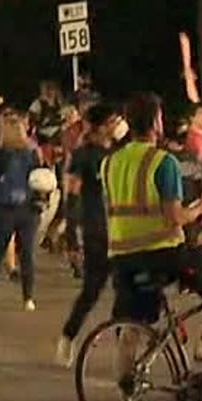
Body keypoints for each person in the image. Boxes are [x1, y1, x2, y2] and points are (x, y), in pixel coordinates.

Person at [102, 92, 202, 362]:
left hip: (122, 257)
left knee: (132, 327)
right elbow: (175, 217)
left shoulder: (110, 162)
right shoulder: (162, 162)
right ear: (157, 123)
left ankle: (127, 396)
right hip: (161, 253)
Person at [57, 103, 123, 365]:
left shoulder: (119, 153)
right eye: (114, 120)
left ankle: (125, 346)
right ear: (101, 125)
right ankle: (68, 336)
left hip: (122, 230)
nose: (118, 125)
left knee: (125, 290)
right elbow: (71, 196)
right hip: (96, 228)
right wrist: (72, 233)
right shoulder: (84, 155)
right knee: (92, 290)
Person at [0, 109, 43, 311]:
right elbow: (40, 178)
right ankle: (28, 299)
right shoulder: (32, 151)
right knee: (27, 255)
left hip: (4, 209)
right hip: (28, 210)